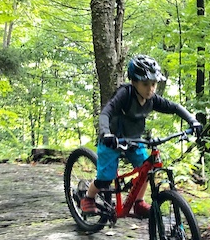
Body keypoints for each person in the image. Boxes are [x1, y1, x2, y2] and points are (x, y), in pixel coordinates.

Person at [80, 55, 202, 217]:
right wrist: (106, 133)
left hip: (134, 141)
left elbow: (175, 107)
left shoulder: (152, 99)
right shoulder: (125, 94)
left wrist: (192, 121)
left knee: (147, 167)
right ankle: (88, 197)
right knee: (105, 179)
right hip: (112, 141)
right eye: (145, 84)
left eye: (153, 84)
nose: (150, 89)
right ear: (134, 82)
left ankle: (138, 202)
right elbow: (105, 113)